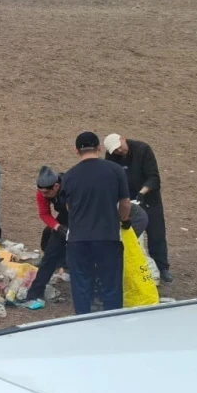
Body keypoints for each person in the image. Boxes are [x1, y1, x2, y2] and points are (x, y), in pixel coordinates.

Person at [61, 132, 131, 316]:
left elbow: (68, 207)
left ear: (76, 150)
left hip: (78, 239)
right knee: (111, 284)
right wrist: (124, 221)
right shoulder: (115, 170)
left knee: (81, 285)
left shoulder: (69, 176)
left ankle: (83, 320)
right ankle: (113, 320)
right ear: (99, 148)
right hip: (107, 236)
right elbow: (125, 203)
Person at [103, 133, 172, 282]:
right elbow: (110, 177)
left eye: (119, 147)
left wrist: (142, 193)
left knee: (156, 232)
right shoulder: (111, 157)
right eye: (115, 151)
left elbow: (153, 177)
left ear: (123, 139)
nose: (119, 151)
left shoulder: (143, 150)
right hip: (127, 199)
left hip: (148, 197)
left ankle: (162, 267)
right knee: (129, 233)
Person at [22, 166, 69, 310]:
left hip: (84, 215)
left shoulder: (71, 187)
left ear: (56, 186)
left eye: (47, 193)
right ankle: (34, 293)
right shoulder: (42, 193)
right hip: (65, 217)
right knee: (50, 254)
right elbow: (44, 213)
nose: (43, 195)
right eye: (41, 192)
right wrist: (57, 227)